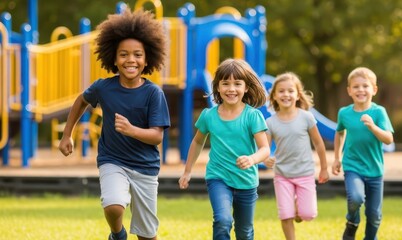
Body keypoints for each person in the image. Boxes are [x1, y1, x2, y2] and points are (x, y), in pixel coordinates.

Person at [58, 8, 169, 240]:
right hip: (112, 160)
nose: (131, 60)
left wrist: (132, 130)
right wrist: (67, 134)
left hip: (145, 168)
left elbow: (157, 136)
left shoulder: (153, 94)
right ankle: (117, 233)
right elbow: (81, 101)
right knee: (113, 204)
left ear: (147, 59)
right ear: (113, 59)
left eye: (138, 55)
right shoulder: (103, 88)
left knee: (147, 235)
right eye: (124, 54)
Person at [178, 58, 270, 240]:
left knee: (244, 232)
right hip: (218, 178)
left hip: (246, 182)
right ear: (217, 87)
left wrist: (252, 159)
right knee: (222, 221)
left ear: (246, 87)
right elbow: (197, 142)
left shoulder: (253, 116)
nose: (231, 89)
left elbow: (265, 149)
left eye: (237, 83)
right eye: (225, 83)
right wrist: (187, 171)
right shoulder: (208, 116)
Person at [263, 72, 329, 240]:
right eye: (281, 91)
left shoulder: (306, 117)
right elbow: (264, 147)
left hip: (305, 173)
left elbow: (319, 144)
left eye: (290, 91)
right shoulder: (270, 122)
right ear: (274, 96)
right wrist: (266, 158)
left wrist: (324, 169)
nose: (286, 94)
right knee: (285, 215)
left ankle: (298, 209)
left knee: (308, 214)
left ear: (298, 94)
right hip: (282, 175)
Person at [332, 67, 394, 240]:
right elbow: (339, 132)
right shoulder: (344, 113)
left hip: (375, 170)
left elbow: (388, 139)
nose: (361, 90)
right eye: (356, 86)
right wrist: (337, 158)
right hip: (353, 166)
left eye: (365, 86)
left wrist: (373, 126)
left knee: (374, 216)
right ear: (349, 91)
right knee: (356, 198)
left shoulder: (378, 112)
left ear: (374, 89)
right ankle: (352, 222)